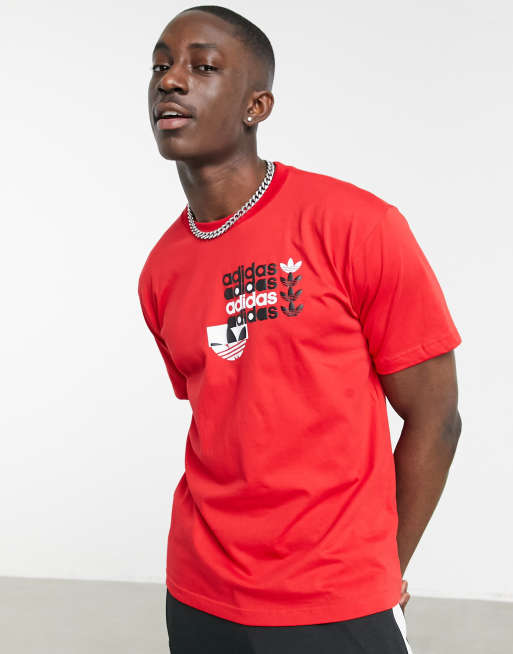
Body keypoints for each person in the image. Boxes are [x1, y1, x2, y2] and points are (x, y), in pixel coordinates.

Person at [138, 5, 462, 653]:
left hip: (336, 601)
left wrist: (381, 569)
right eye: (160, 66)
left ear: (256, 106)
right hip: (201, 594)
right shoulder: (161, 269)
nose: (169, 80)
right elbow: (227, 418)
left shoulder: (356, 225)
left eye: (203, 67)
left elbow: (436, 418)